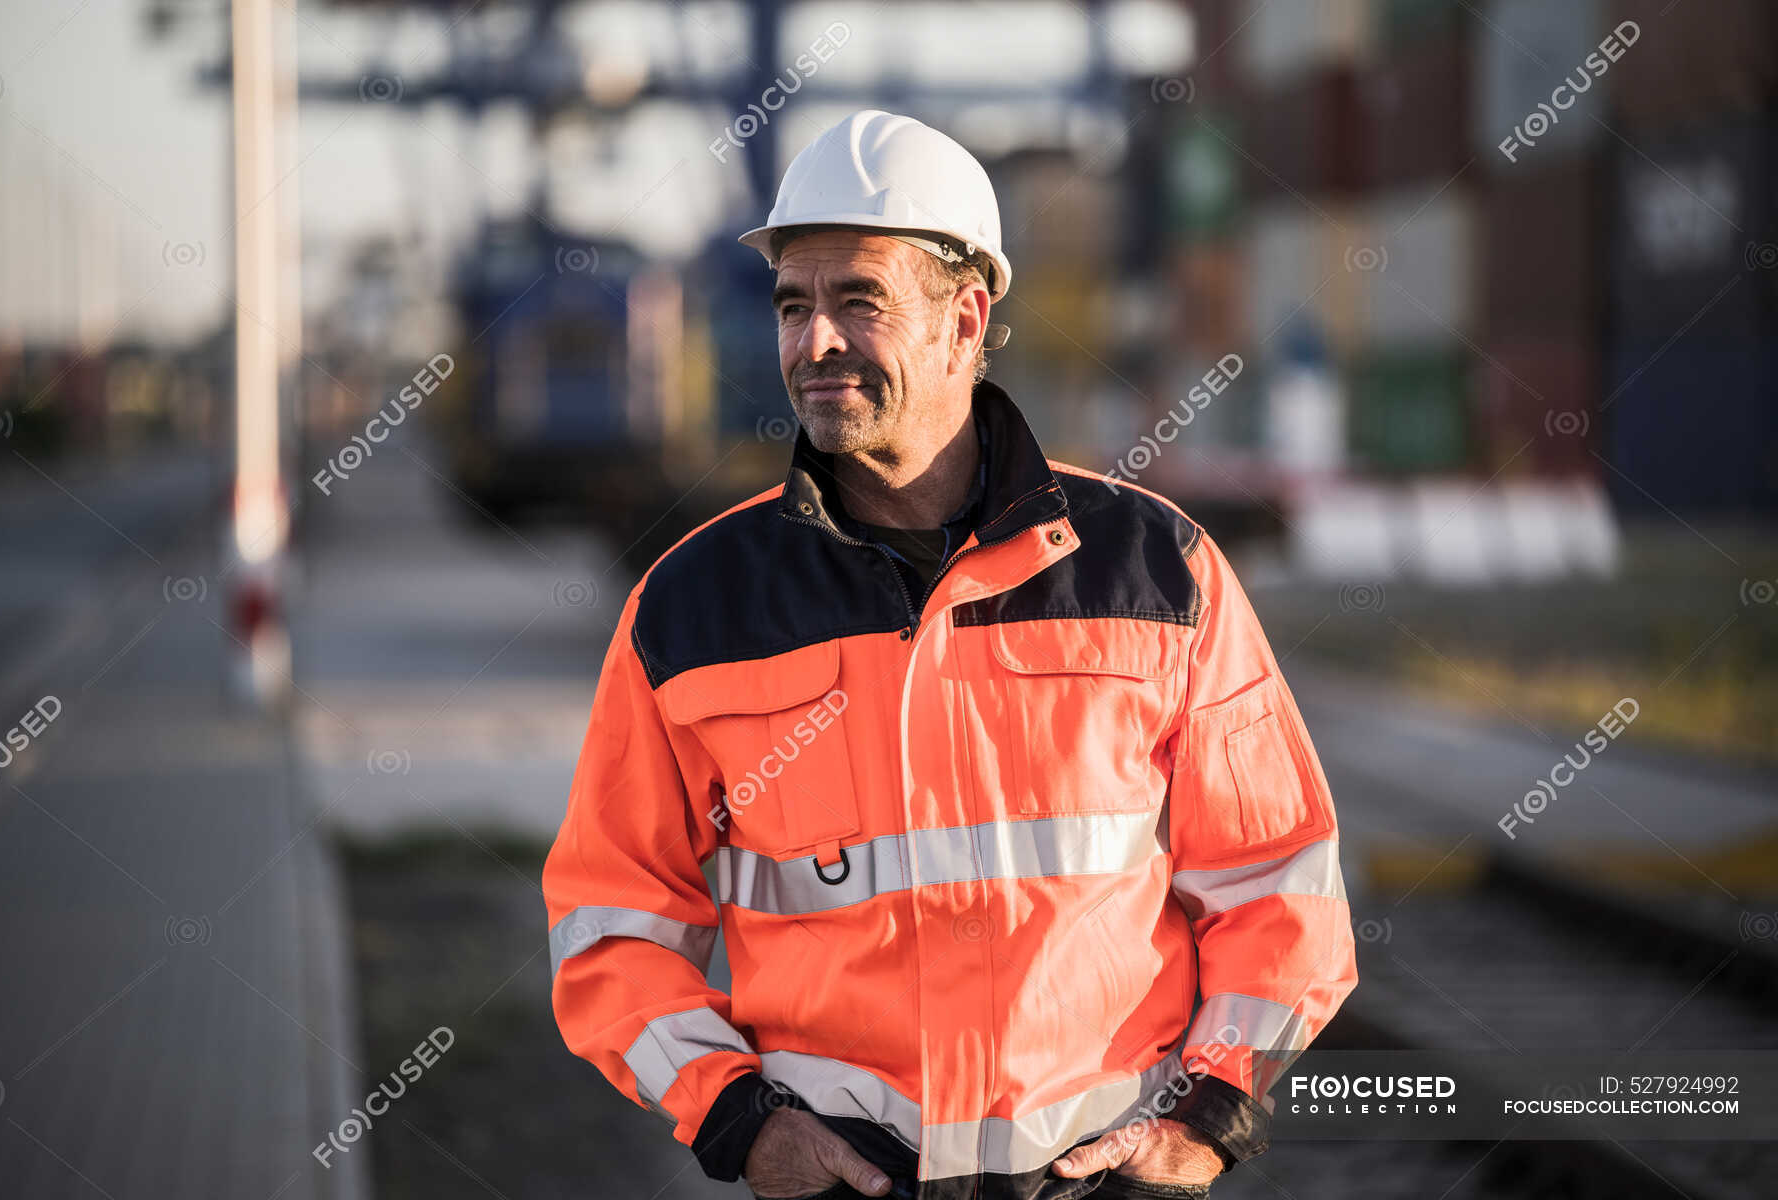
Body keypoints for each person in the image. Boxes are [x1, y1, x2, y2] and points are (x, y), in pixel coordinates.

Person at [543, 109, 1357, 1200]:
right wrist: (741, 1123)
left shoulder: (1157, 572)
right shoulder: (692, 609)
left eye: (857, 302)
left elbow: (1279, 883)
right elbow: (610, 925)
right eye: (794, 305)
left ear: (965, 319)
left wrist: (1207, 1120)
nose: (813, 342)